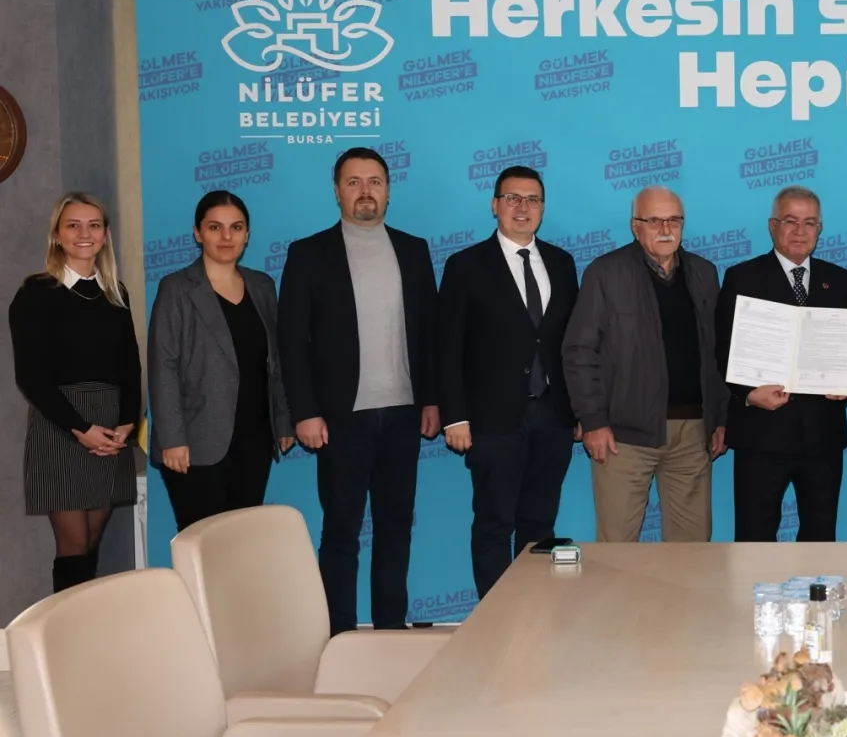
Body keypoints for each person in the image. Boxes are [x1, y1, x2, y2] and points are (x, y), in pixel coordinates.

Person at [277, 148, 439, 634]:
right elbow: (291, 341)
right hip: (339, 418)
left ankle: (390, 627)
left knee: (396, 527)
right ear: (337, 191)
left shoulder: (414, 250)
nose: (365, 192)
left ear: (388, 190)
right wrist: (304, 411)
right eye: (354, 182)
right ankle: (340, 633)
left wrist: (432, 399)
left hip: (404, 413)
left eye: (375, 182)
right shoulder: (308, 253)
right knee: (341, 531)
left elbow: (429, 332)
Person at [439, 166, 580, 598]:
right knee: (494, 523)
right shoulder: (465, 265)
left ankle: (535, 613)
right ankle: (496, 619)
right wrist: (454, 417)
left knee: (540, 525)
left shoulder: (562, 263)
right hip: (490, 419)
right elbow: (446, 346)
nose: (523, 207)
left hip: (553, 417)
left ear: (543, 208)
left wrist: (579, 411)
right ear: (495, 205)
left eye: (532, 199)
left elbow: (572, 344)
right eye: (513, 198)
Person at [562, 185, 727, 542]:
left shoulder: (705, 273)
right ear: (635, 227)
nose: (665, 229)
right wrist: (593, 421)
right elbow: (579, 351)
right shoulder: (605, 273)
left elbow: (718, 353)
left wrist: (720, 417)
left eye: (674, 220)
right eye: (654, 221)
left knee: (692, 550)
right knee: (617, 550)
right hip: (623, 436)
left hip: (693, 433)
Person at [716, 185, 847, 542]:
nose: (800, 231)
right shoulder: (742, 277)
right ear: (772, 226)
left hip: (822, 434)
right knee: (754, 539)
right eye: (790, 221)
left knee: (820, 538)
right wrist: (748, 393)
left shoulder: (839, 279)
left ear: (819, 229)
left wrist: (844, 385)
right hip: (761, 434)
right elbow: (722, 348)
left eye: (809, 223)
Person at [8, 192, 140, 592]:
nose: (85, 233)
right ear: (57, 234)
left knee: (91, 544)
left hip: (110, 427)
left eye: (94, 225)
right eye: (73, 225)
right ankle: (65, 630)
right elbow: (30, 376)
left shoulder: (115, 292)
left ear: (105, 235)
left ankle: (82, 623)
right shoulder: (35, 293)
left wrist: (127, 423)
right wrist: (80, 428)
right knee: (73, 546)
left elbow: (130, 367)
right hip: (61, 424)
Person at [148, 191, 296, 532]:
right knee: (202, 545)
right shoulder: (176, 288)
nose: (226, 236)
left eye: (236, 227)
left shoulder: (262, 285)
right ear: (198, 233)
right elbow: (163, 366)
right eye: (215, 227)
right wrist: (172, 438)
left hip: (255, 440)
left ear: (247, 234)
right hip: (194, 443)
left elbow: (275, 360)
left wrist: (283, 420)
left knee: (239, 544)